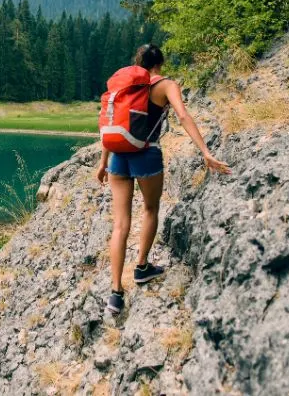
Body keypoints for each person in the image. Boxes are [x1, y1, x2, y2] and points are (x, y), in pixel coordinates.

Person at [96, 43, 232, 314]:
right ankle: (142, 267)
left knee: (120, 224)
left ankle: (115, 293)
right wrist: (205, 151)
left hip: (117, 157)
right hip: (146, 154)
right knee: (150, 208)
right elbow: (182, 115)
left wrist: (103, 163)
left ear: (137, 62)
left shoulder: (124, 86)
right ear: (161, 63)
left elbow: (114, 123)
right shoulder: (165, 85)